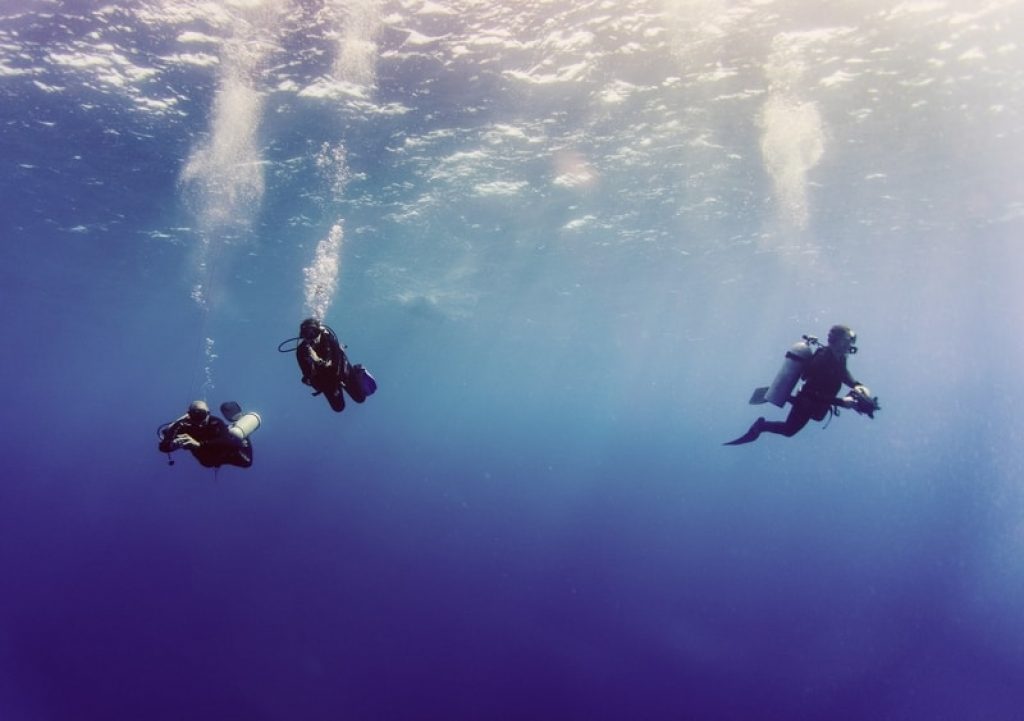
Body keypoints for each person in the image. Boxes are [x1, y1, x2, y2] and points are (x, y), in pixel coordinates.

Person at [725, 325, 878, 445]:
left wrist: (857, 385)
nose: (849, 345)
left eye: (850, 342)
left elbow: (843, 373)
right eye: (846, 341)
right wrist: (841, 402)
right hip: (807, 401)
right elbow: (812, 394)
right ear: (837, 341)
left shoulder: (840, 357)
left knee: (811, 420)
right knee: (788, 430)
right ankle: (761, 425)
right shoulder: (823, 359)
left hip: (818, 402)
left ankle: (788, 398)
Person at [295, 318, 375, 412]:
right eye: (307, 334)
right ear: (303, 336)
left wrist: (317, 360)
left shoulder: (328, 339)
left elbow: (335, 366)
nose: (312, 338)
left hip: (341, 369)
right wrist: (311, 372)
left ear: (319, 331)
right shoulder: (301, 352)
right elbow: (307, 374)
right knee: (338, 408)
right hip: (326, 380)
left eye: (314, 333)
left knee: (360, 399)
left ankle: (356, 370)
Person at [158, 400, 253, 468]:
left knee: (246, 461)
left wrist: (199, 444)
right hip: (208, 460)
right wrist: (173, 444)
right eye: (195, 415)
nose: (199, 421)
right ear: (189, 415)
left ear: (208, 413)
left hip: (226, 454)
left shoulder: (215, 422)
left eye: (201, 415)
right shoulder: (182, 425)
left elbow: (226, 441)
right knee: (207, 463)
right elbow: (163, 446)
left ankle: (239, 426)